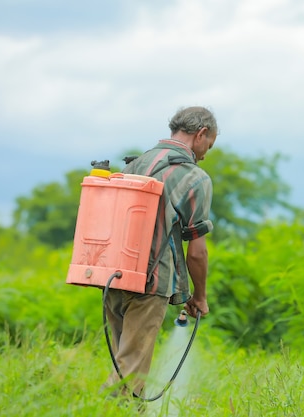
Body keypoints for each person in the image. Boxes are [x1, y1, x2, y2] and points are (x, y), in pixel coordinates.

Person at [102, 106, 218, 399]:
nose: (205, 154)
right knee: (128, 375)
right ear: (201, 134)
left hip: (112, 277)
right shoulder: (195, 177)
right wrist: (200, 295)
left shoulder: (135, 164)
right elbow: (197, 253)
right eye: (209, 145)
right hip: (151, 282)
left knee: (125, 364)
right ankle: (98, 410)